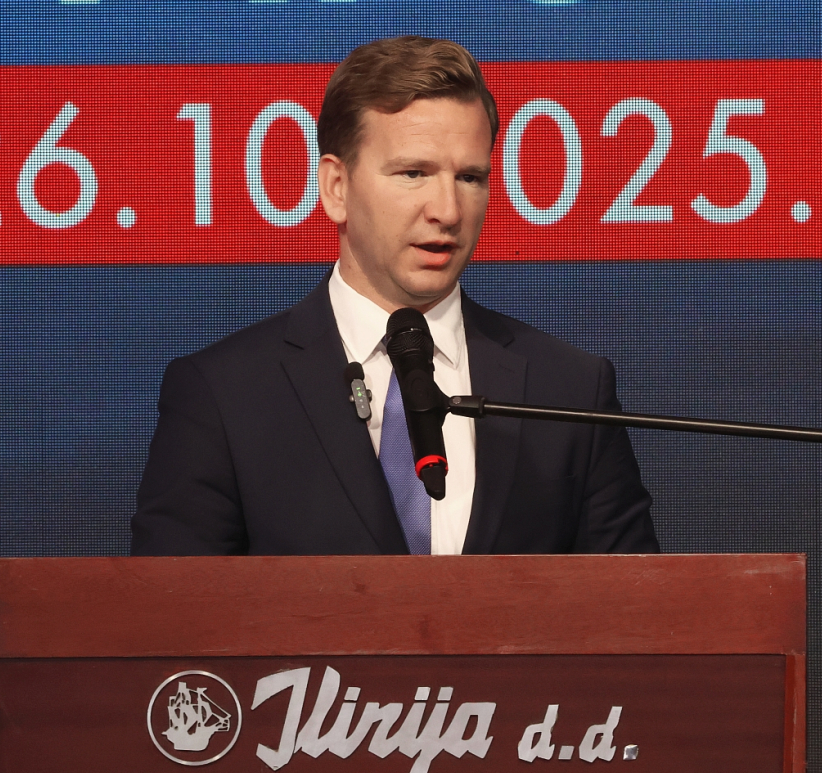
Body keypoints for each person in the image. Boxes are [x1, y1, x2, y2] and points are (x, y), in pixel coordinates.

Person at [131, 36, 656, 556]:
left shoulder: (569, 390)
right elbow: (174, 607)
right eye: (414, 173)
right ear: (336, 187)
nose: (448, 211)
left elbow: (635, 603)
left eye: (470, 177)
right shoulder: (225, 395)